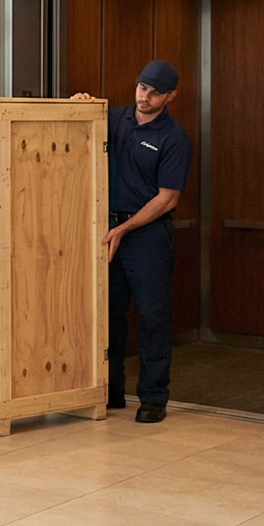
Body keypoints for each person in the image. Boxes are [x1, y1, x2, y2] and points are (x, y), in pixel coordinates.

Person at [74, 60, 191, 424]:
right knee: (108, 314)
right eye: (142, 88)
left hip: (145, 235)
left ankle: (153, 396)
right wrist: (79, 103)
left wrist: (124, 229)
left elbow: (167, 198)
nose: (145, 96)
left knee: (152, 315)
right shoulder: (115, 119)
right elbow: (80, 124)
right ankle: (110, 390)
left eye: (155, 92)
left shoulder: (173, 137)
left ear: (171, 96)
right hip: (107, 229)